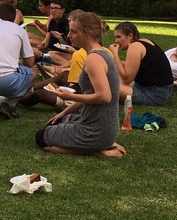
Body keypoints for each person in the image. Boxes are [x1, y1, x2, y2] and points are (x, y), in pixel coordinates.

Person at [35, 12, 125, 157]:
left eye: (73, 31)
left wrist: (71, 96)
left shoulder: (94, 59)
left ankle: (100, 151)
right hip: (106, 128)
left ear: (87, 33)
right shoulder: (103, 53)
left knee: (41, 138)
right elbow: (90, 94)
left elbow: (105, 97)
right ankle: (104, 144)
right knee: (57, 122)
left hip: (95, 131)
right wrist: (64, 112)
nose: (69, 35)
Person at [108, 21, 175, 106]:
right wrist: (119, 63)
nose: (116, 41)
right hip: (163, 91)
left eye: (119, 37)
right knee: (116, 71)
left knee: (109, 85)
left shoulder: (134, 47)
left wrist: (115, 55)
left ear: (130, 36)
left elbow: (127, 79)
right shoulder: (144, 41)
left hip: (155, 95)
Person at [33, 0, 71, 64]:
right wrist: (41, 46)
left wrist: (60, 38)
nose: (53, 10)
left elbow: (69, 47)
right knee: (31, 50)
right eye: (51, 8)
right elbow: (46, 42)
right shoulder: (52, 21)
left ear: (62, 10)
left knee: (50, 54)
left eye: (56, 8)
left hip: (60, 53)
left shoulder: (66, 23)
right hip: (49, 50)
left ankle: (47, 63)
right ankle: (44, 62)